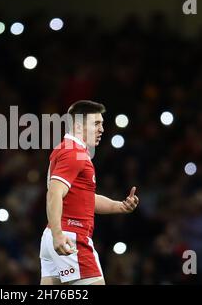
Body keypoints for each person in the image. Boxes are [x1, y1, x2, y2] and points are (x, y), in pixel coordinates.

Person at [40, 100, 139, 285]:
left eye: (102, 123)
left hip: (54, 236)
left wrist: (120, 206)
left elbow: (84, 199)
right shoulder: (73, 153)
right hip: (70, 236)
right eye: (96, 123)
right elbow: (54, 193)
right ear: (78, 125)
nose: (102, 129)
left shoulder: (68, 150)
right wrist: (58, 234)